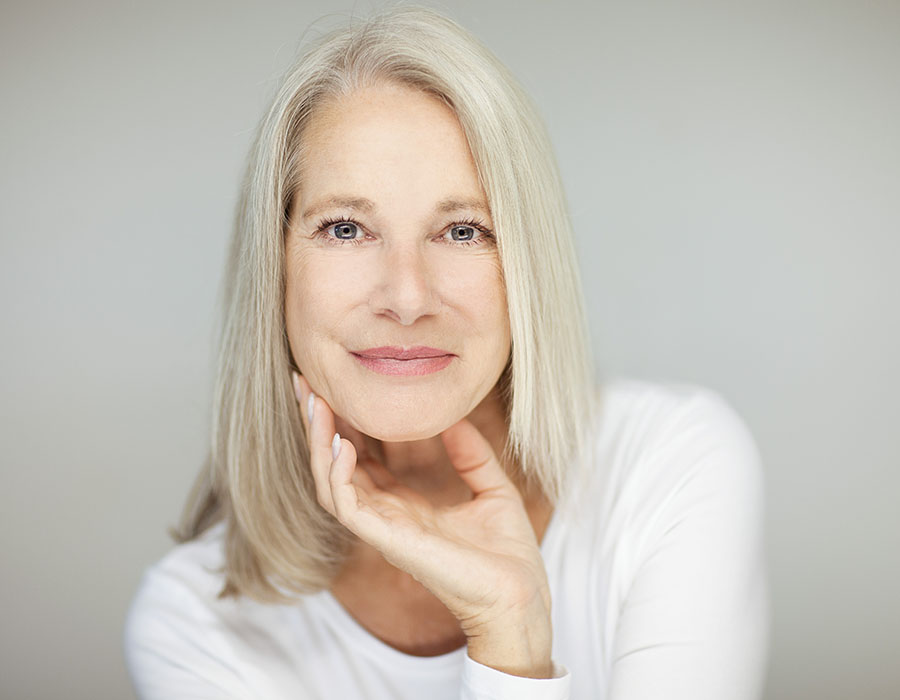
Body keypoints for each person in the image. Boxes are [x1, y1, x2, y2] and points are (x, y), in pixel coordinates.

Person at [123, 6, 768, 699]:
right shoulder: (195, 625)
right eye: (346, 228)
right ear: (276, 267)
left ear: (527, 261)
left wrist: (509, 632)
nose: (406, 297)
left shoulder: (668, 466)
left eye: (462, 231)